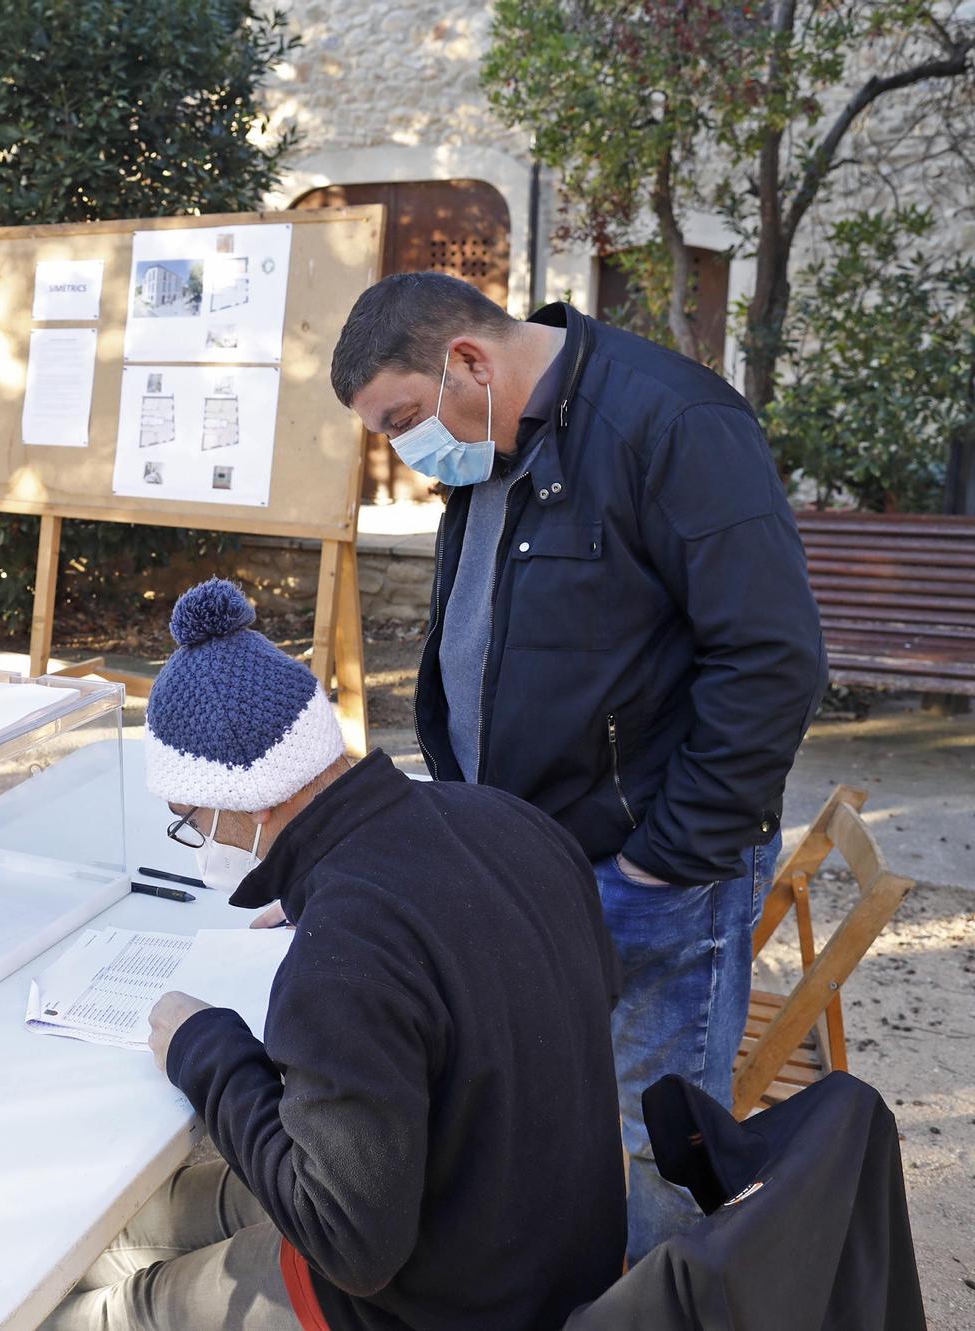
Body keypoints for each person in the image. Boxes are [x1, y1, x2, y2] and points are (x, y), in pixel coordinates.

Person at [328, 272, 827, 1260]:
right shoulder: (493, 437)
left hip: (650, 870)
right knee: (557, 1107)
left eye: (398, 419)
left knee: (655, 1145)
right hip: (538, 855)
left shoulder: (672, 422)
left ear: (466, 360)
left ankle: (662, 1306)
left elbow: (771, 658)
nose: (399, 449)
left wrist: (665, 857)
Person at [46, 579, 625, 1331]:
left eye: (189, 821)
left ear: (244, 802)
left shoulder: (343, 957)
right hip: (565, 1246)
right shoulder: (512, 821)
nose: (199, 844)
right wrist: (326, 888)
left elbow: (353, 1247)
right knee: (146, 1218)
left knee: (127, 1306)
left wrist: (206, 1049)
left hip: (453, 1302)